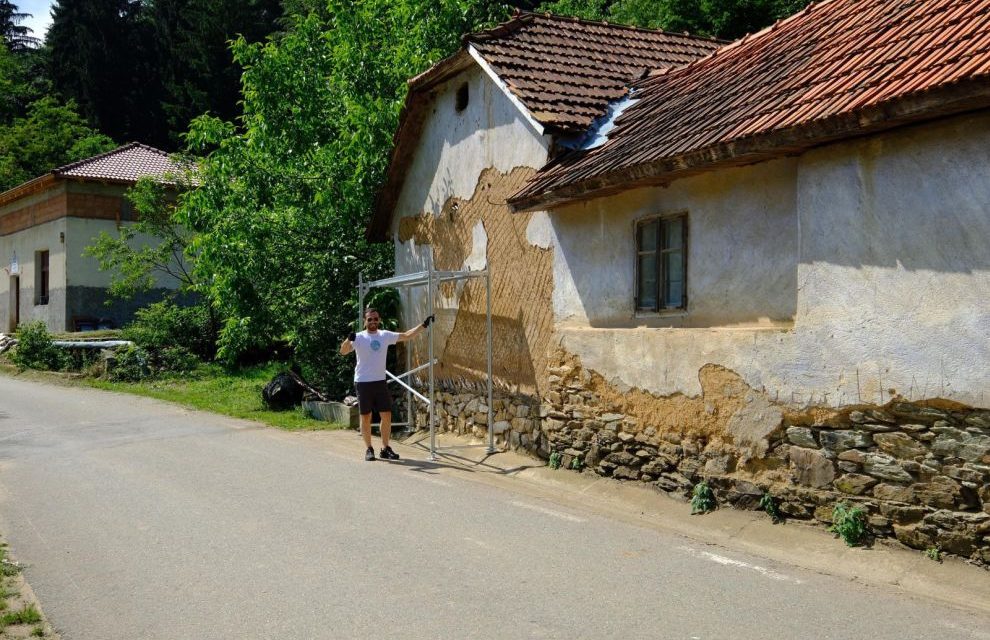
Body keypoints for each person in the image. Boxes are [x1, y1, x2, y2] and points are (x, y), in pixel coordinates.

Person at [340, 308, 434, 461]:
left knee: (386, 415)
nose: (373, 322)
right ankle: (369, 449)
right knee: (366, 417)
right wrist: (347, 340)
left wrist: (423, 325)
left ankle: (385, 448)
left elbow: (406, 336)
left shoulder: (384, 335)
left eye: (375, 319)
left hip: (380, 382)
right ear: (365, 321)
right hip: (363, 382)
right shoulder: (358, 337)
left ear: (379, 320)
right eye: (370, 319)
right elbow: (343, 352)